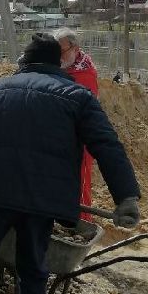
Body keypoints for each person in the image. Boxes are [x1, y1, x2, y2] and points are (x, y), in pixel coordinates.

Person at [0, 34, 140, 294]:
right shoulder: (78, 96)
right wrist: (126, 197)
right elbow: (107, 145)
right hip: (41, 200)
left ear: (23, 63)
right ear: (57, 63)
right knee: (33, 270)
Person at [54, 27, 99, 222]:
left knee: (79, 184)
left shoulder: (85, 72)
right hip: (58, 137)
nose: (60, 57)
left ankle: (81, 222)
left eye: (62, 52)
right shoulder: (62, 68)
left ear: (75, 48)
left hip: (78, 138)